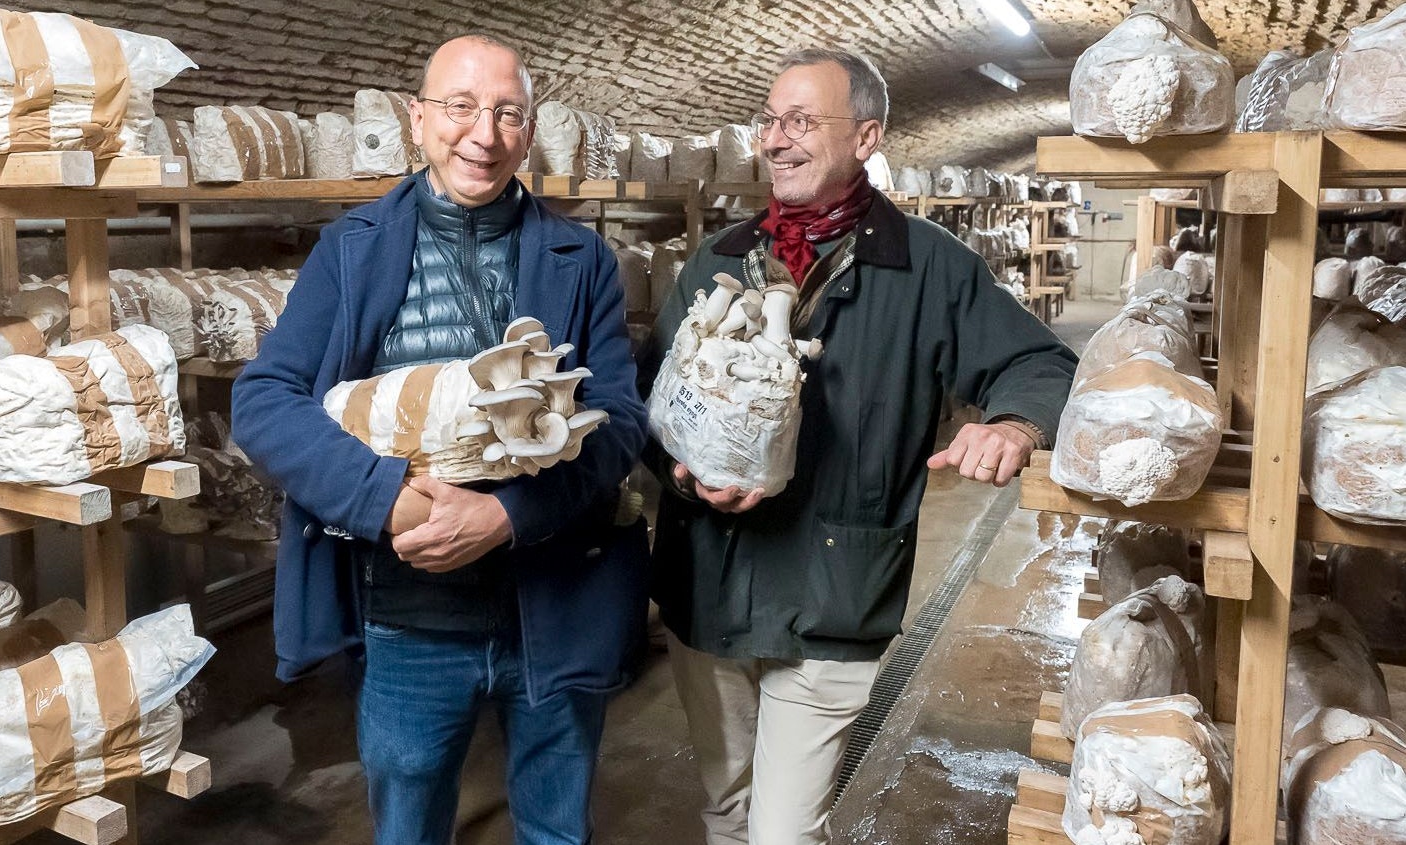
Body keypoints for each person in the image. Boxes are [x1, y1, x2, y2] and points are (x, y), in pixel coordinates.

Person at [640, 48, 1078, 845]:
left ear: (867, 136)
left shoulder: (927, 269)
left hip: (832, 587)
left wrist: (1012, 423)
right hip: (707, 583)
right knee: (727, 808)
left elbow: (1041, 361)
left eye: (802, 121)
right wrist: (679, 470)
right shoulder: (714, 260)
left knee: (781, 832)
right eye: (768, 121)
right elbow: (654, 401)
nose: (777, 139)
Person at [232, 34, 649, 845]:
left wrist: (508, 517)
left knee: (556, 825)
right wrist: (384, 499)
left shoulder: (583, 258)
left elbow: (620, 421)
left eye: (506, 113)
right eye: (460, 108)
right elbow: (264, 400)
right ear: (419, 120)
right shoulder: (351, 251)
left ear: (529, 132)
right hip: (410, 615)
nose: (482, 135)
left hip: (553, 601)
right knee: (409, 823)